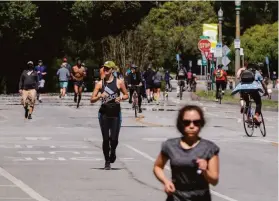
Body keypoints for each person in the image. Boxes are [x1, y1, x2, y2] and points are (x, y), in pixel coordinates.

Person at [153, 105, 219, 201]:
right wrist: (166, 182)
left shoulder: (209, 148)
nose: (192, 126)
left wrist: (205, 171)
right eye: (187, 122)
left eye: (196, 122)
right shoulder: (170, 145)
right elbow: (157, 167)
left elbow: (214, 180)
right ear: (181, 124)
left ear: (201, 124)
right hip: (177, 196)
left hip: (200, 197)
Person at [90, 61, 128, 170]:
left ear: (112, 70)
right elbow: (92, 99)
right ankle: (107, 161)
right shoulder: (100, 83)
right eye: (104, 68)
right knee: (106, 139)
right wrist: (99, 96)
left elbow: (126, 95)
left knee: (114, 139)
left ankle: (113, 151)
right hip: (104, 113)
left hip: (116, 112)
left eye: (107, 68)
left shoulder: (119, 82)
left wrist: (120, 98)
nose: (105, 70)